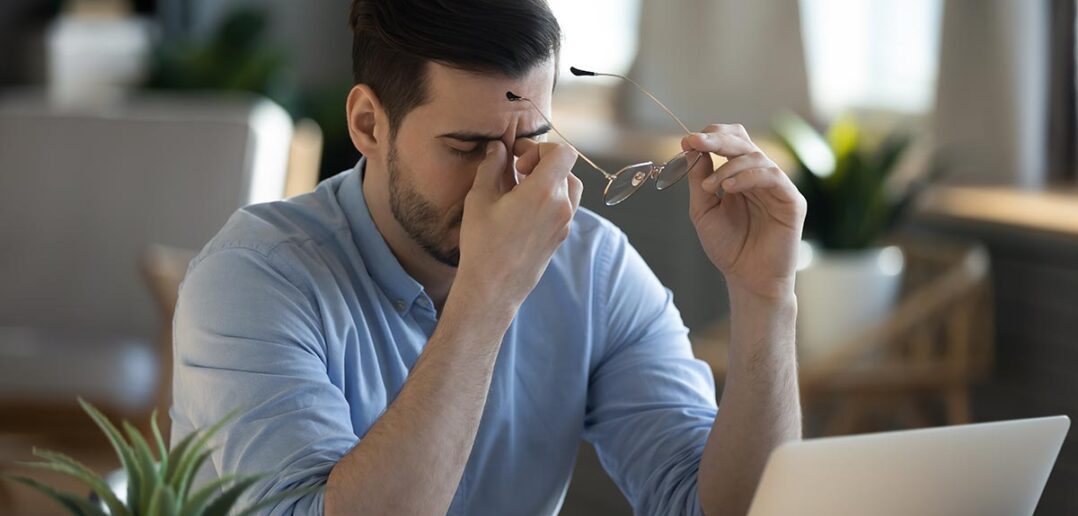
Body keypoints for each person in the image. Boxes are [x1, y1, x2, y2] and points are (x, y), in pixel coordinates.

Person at [169, 1, 807, 514]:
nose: (500, 181)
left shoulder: (593, 269)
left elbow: (717, 508)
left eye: (529, 140)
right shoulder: (253, 277)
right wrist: (488, 293)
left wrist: (766, 297)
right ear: (368, 125)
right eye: (466, 146)